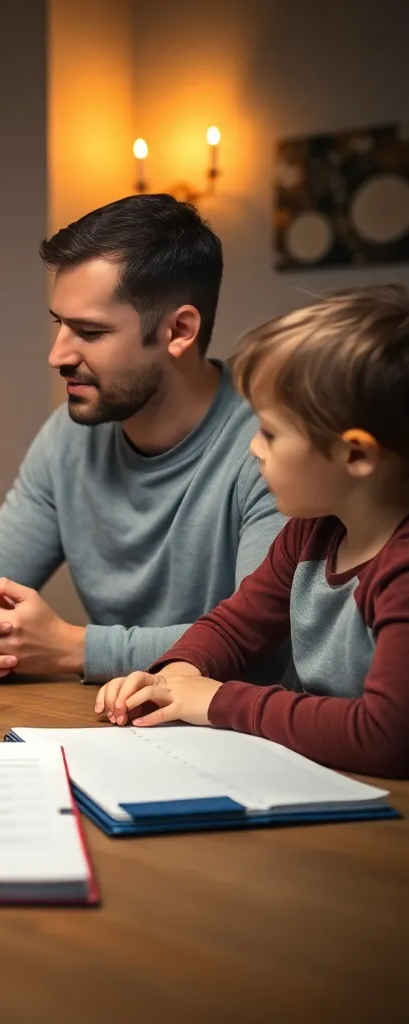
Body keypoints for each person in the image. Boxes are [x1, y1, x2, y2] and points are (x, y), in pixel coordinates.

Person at [0, 194, 286, 683]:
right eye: (59, 324)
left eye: (89, 332)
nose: (57, 355)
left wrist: (75, 649)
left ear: (179, 330)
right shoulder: (66, 439)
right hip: (110, 729)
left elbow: (262, 645)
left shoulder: (275, 444)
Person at [94, 286, 409, 778]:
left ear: (356, 455)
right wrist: (177, 676)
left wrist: (219, 701)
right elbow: (234, 628)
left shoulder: (400, 568)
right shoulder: (312, 533)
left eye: (271, 432)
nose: (253, 448)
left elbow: (385, 735)